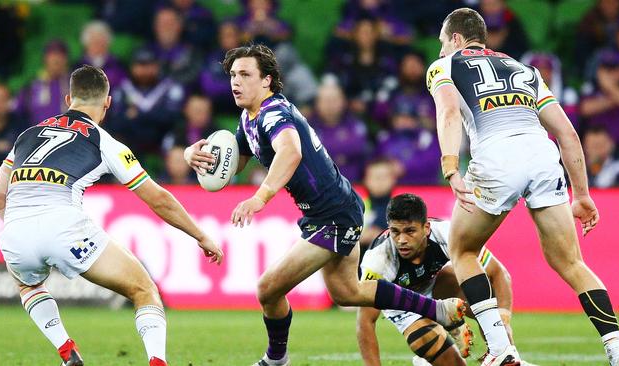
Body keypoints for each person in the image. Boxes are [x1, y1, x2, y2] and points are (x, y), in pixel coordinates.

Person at [183, 44, 466, 366]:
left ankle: (276, 360)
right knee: (348, 292)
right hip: (333, 209)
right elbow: (234, 163)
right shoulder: (250, 118)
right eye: (233, 74)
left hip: (334, 215)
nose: (236, 81)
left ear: (267, 81)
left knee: (268, 288)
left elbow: (290, 151)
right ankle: (438, 309)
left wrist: (259, 197)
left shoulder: (274, 113)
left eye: (245, 74)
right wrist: (192, 156)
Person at [427, 8, 619, 366]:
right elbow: (567, 133)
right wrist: (582, 194)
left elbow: (448, 113)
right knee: (570, 261)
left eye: (445, 43)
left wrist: (450, 166)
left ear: (457, 39)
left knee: (462, 251)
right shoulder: (526, 70)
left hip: (497, 157)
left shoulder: (444, 66)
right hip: (542, 154)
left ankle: (500, 348)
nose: (443, 50)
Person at [0, 65, 223, 366]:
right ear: (108, 103)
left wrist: (23, 228)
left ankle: (66, 350)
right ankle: (157, 362)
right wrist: (200, 235)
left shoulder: (26, 136)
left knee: (27, 285)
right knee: (144, 289)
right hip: (63, 226)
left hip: (15, 231)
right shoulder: (104, 141)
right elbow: (157, 198)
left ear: (68, 97)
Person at [357, 194, 516, 366]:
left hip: (437, 287)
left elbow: (499, 274)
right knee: (437, 350)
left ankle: (500, 355)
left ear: (426, 228)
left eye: (410, 231)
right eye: (395, 232)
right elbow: (365, 321)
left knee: (478, 287)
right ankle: (430, 354)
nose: (401, 240)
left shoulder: (448, 234)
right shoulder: (378, 260)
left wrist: (502, 322)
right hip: (403, 307)